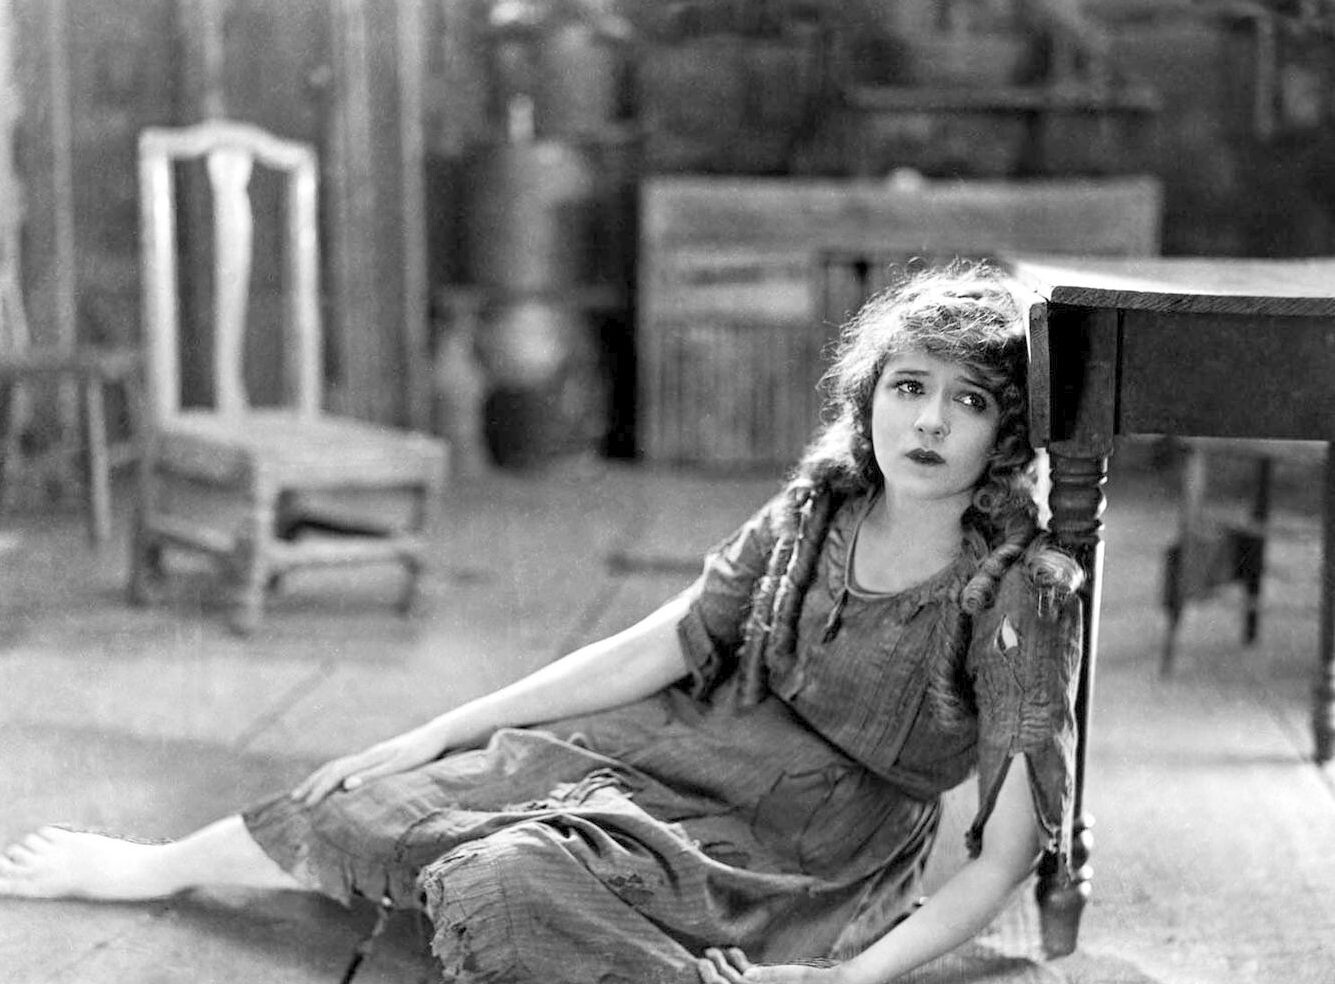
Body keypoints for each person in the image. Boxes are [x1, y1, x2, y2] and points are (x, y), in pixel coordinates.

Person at [0, 261, 1083, 984]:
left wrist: (850, 981)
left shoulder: (1017, 593)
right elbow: (667, 640)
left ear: (1007, 434)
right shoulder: (820, 509)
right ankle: (157, 865)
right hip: (696, 749)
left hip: (812, 851)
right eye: (908, 386)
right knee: (391, 790)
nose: (929, 421)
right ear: (870, 396)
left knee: (514, 879)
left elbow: (1003, 857)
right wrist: (442, 730)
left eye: (970, 401)